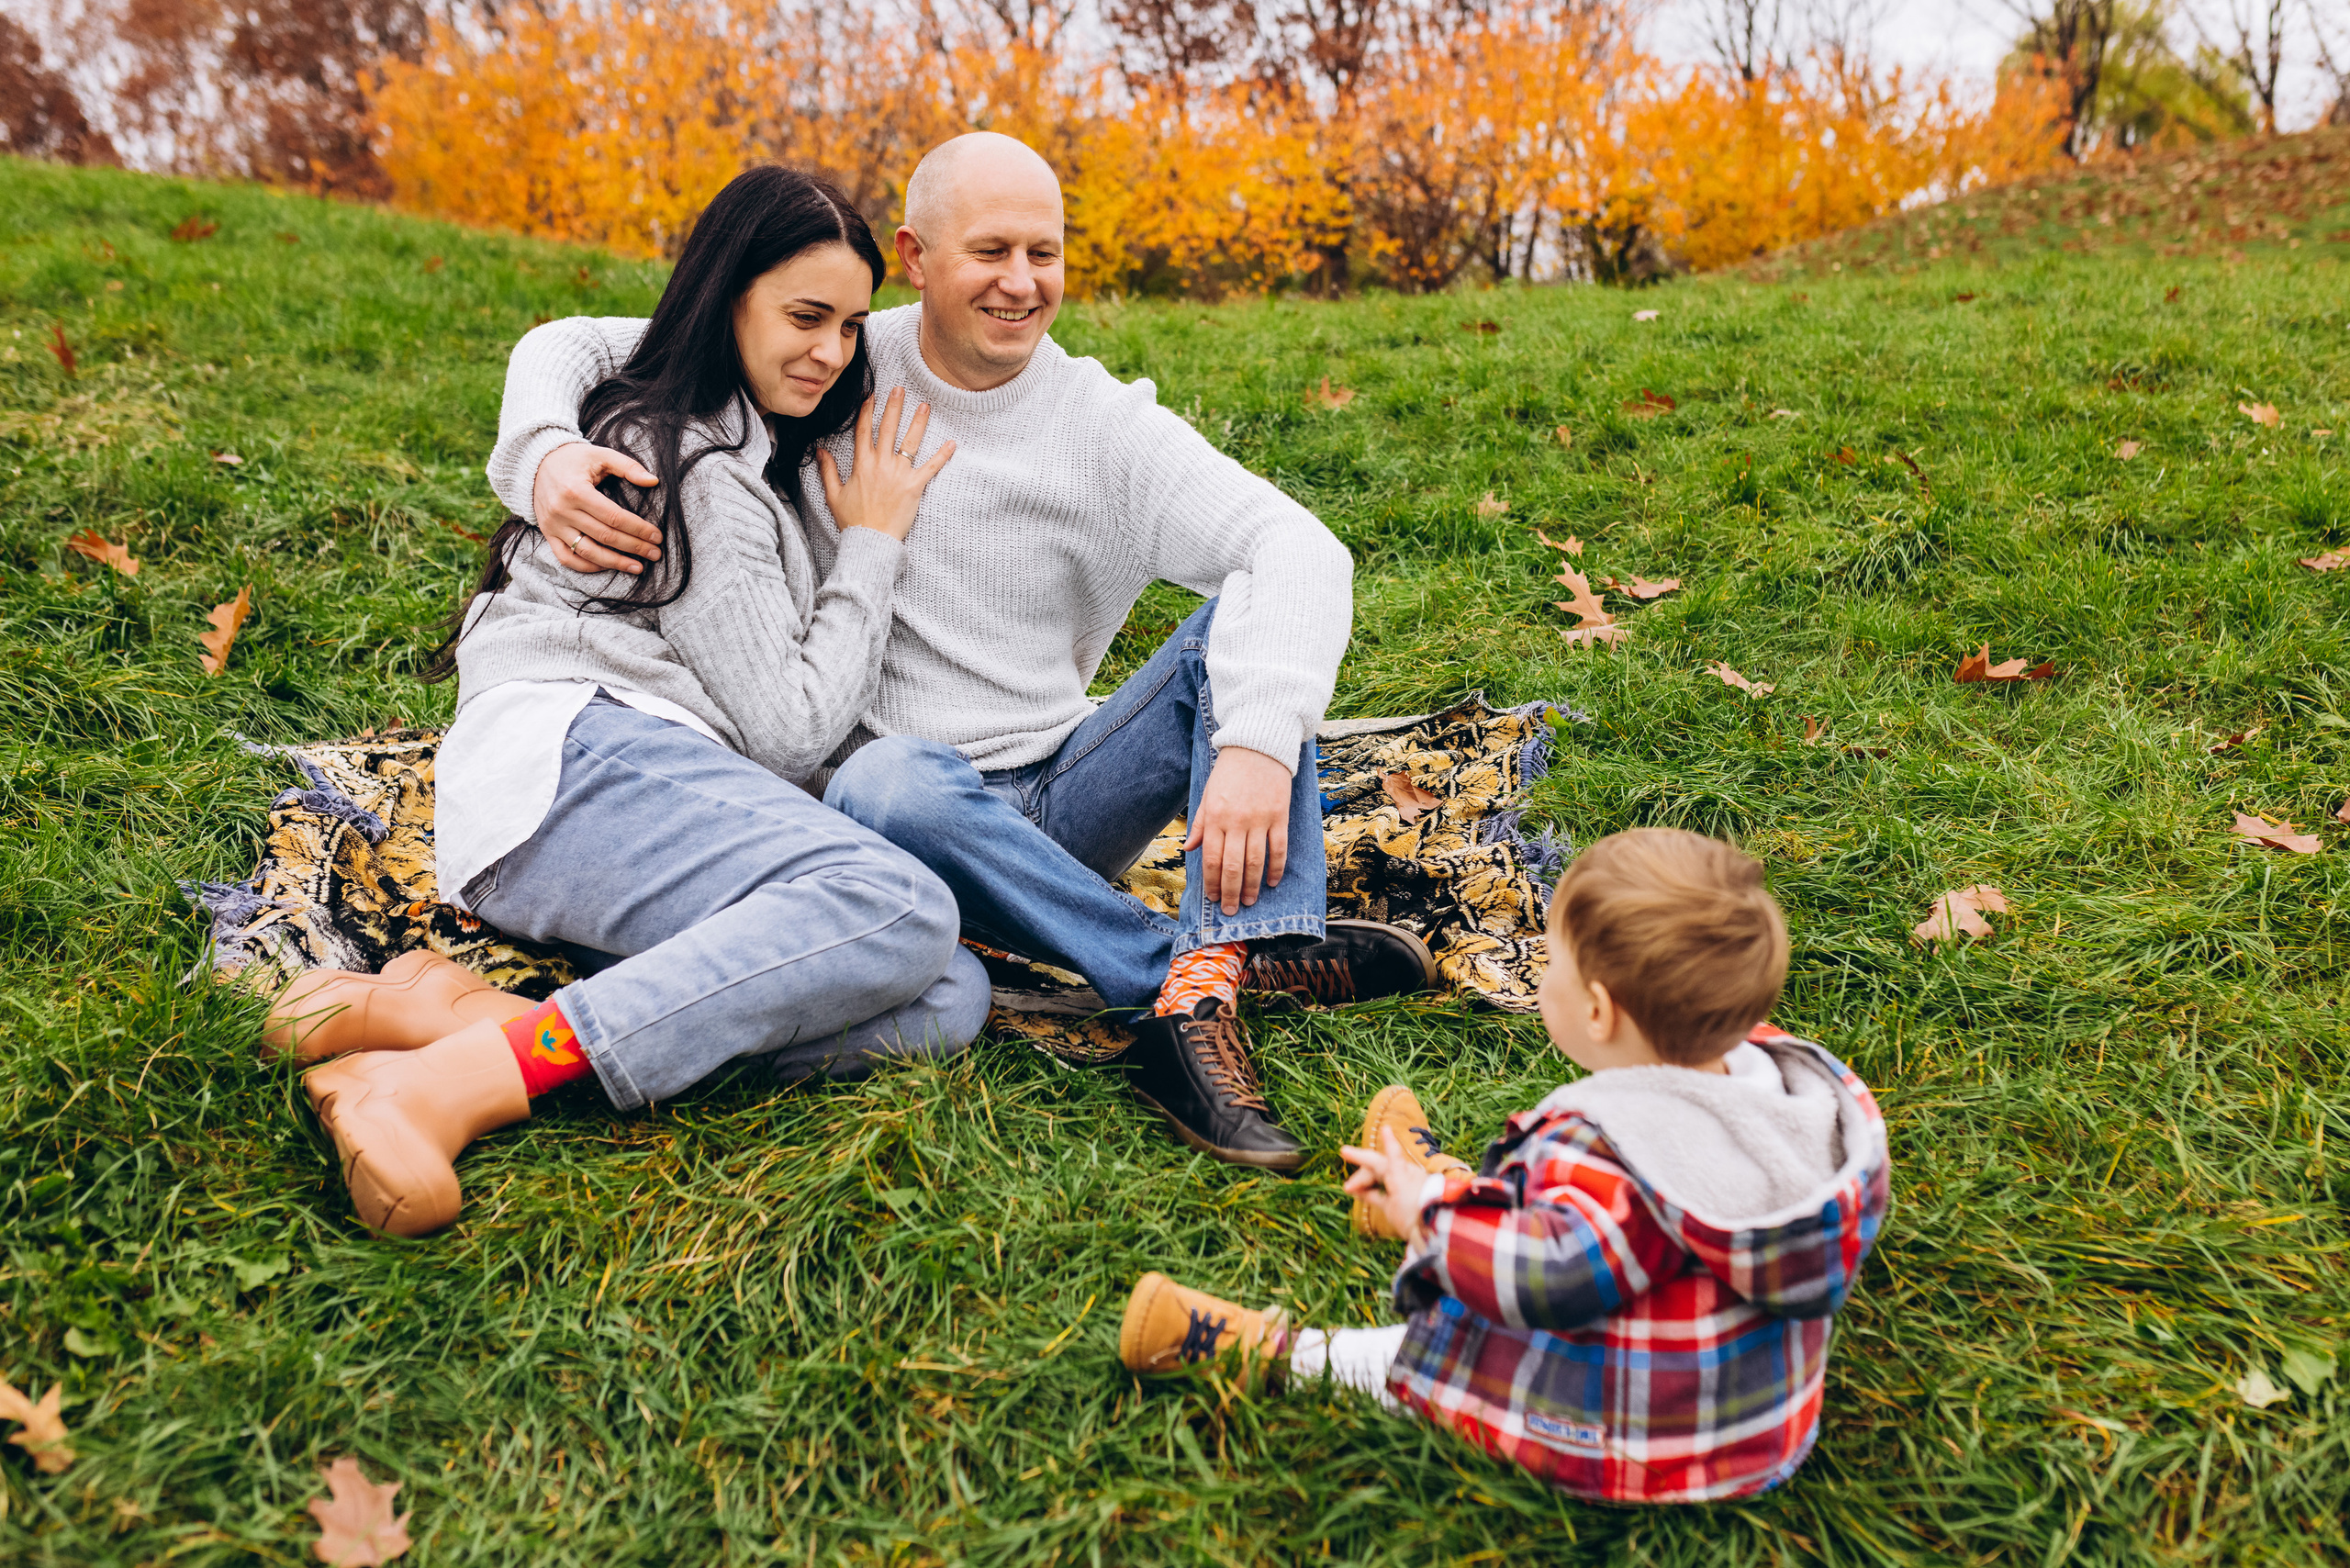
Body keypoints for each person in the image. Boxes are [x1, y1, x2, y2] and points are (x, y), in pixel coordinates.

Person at [488, 131, 1437, 1174]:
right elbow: (581, 341)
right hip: (891, 813)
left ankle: (1207, 970)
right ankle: (1196, 981)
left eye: (1046, 252)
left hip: (1064, 799)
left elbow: (1295, 544)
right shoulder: (834, 356)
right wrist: (539, 453)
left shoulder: (1101, 425)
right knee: (890, 776)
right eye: (991, 251)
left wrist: (1259, 738)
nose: (1022, 283)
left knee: (1241, 639)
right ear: (919, 253)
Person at [274, 166, 986, 1238]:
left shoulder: (729, 443)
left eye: (848, 325)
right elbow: (791, 730)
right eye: (804, 316)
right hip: (576, 757)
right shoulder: (695, 470)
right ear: (728, 296)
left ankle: (461, 1018)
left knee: (944, 996)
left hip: (591, 806)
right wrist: (874, 543)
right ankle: (439, 1088)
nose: (832, 353)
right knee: (900, 905)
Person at [1113, 828, 1892, 1505]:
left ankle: (1282, 1349)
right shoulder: (1795, 1094)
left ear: (1596, 1012)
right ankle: (1454, 1195)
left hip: (1638, 1437)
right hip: (1753, 1418)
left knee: (1423, 1350)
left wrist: (1428, 1216)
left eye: (1549, 962)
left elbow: (1543, 1277)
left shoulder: (1614, 1158)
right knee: (1548, 1228)